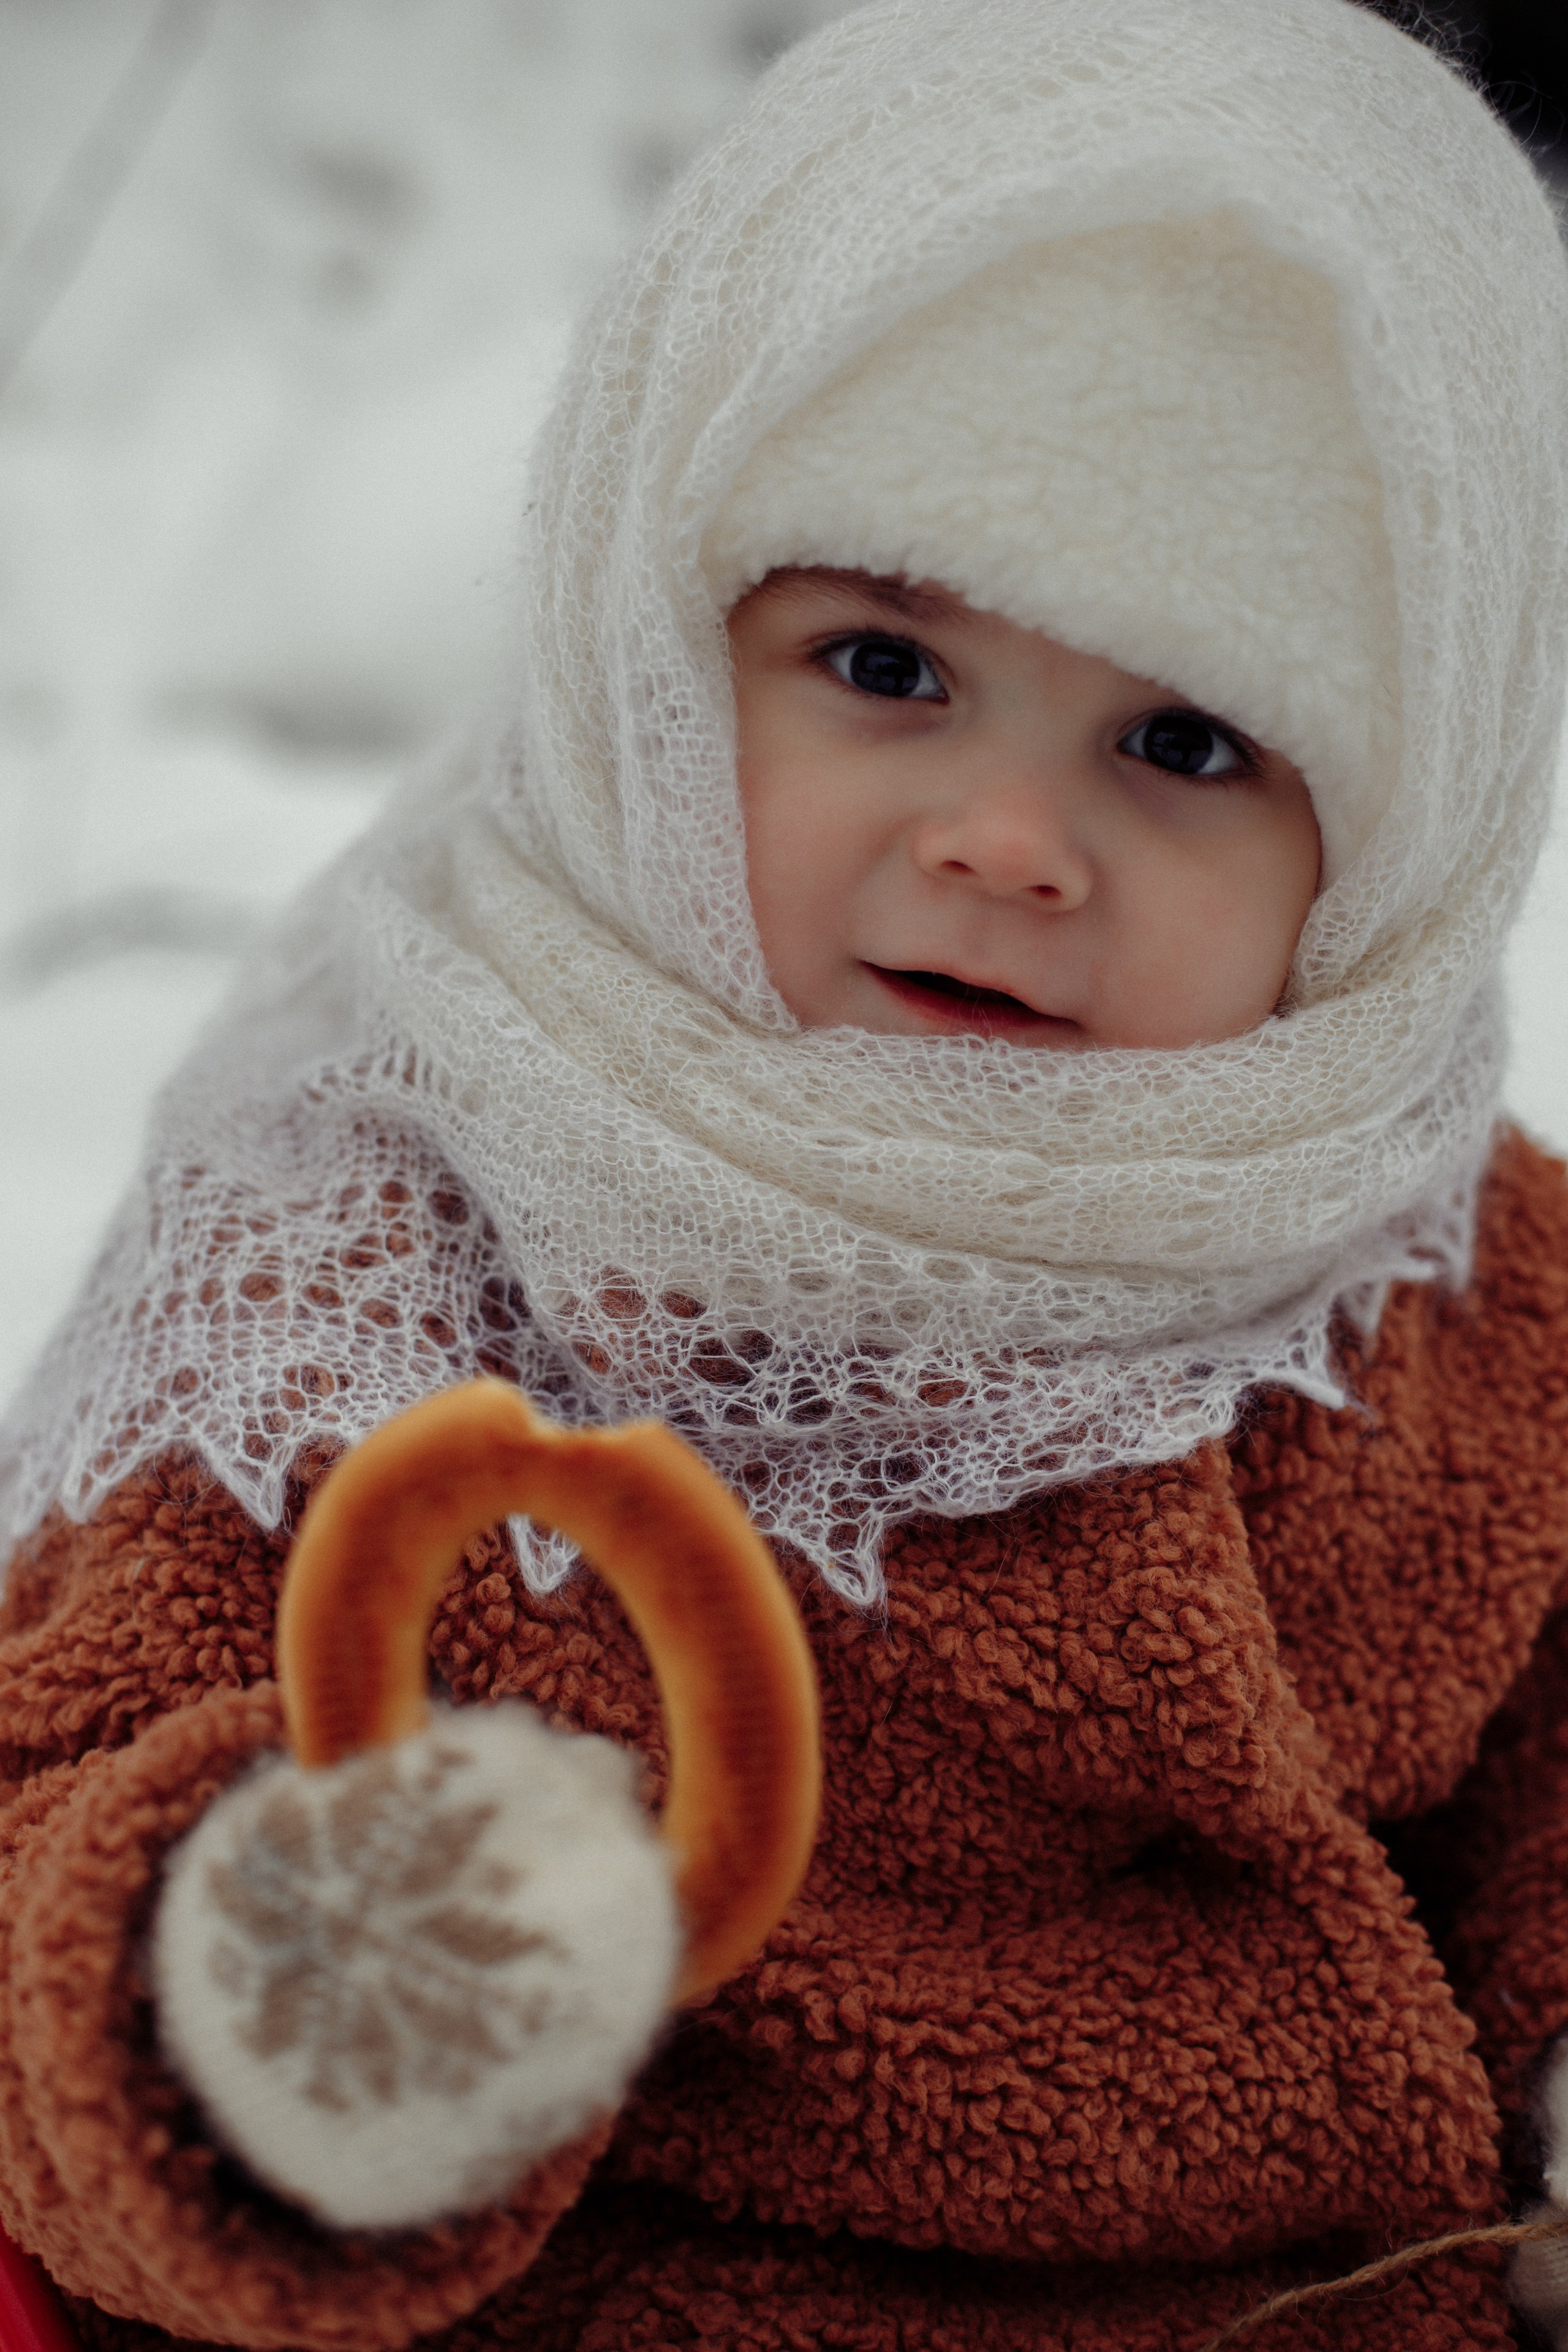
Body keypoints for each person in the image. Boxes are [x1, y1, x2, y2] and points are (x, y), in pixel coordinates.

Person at [4, 0, 1568, 2345]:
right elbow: (55, 1824)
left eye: (1182, 736)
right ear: (655, 645)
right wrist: (286, 1987)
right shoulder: (372, 1252)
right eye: (884, 664)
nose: (1008, 840)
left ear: (1399, 825)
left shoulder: (1440, 1292)